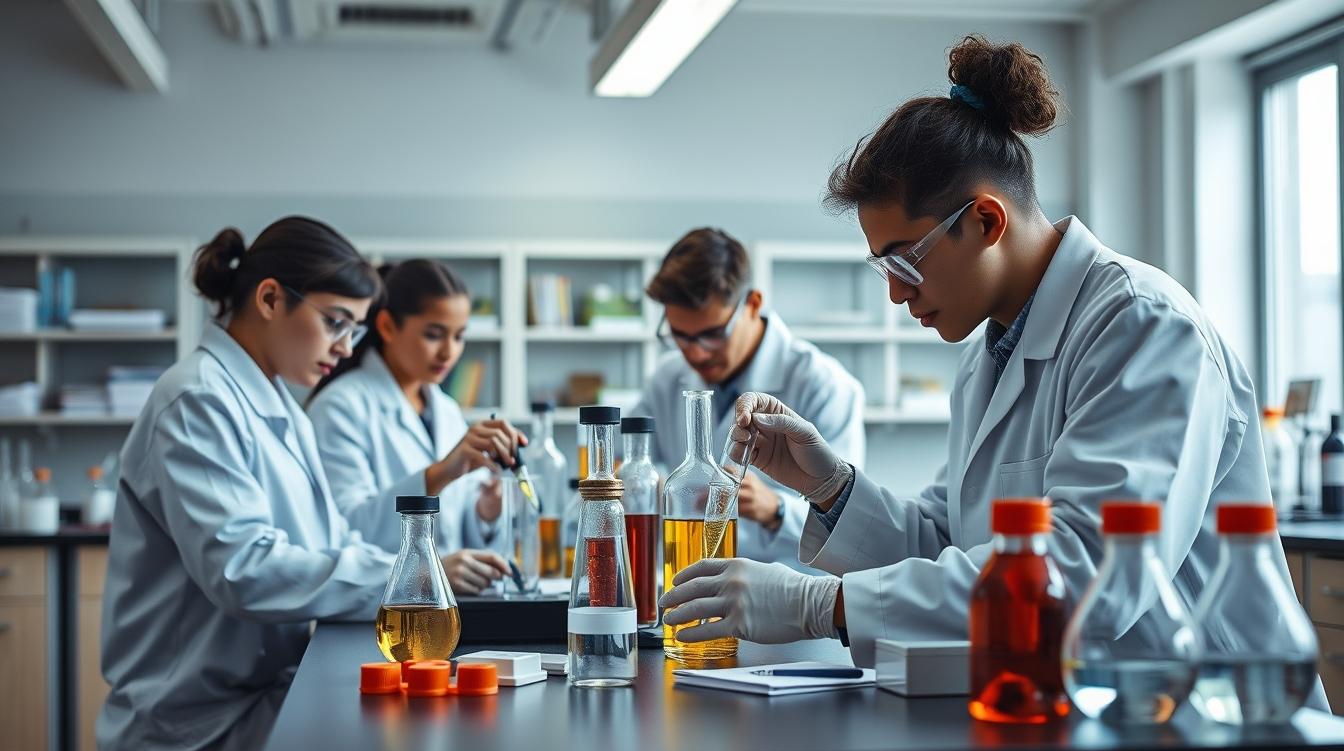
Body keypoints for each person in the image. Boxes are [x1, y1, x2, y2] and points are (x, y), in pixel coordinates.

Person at [658, 36, 1329, 711]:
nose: (897, 294)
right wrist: (831, 486)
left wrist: (823, 604)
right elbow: (952, 541)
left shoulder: (1143, 326)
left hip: (1209, 718)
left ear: (984, 220)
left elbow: (1087, 577)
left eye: (903, 262)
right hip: (1078, 711)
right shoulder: (987, 353)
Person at [97, 218, 526, 751]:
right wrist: (408, 585)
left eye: (353, 329)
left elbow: (334, 537)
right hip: (193, 729)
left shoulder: (279, 405)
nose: (346, 349)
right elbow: (243, 569)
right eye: (336, 323)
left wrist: (414, 575)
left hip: (262, 700)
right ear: (271, 299)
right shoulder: (197, 401)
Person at [632, 227, 865, 572]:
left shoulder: (824, 385)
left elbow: (853, 523)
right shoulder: (667, 379)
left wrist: (775, 509)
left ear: (753, 304)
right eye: (680, 336)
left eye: (712, 335)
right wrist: (658, 484)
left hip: (790, 606)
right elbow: (628, 464)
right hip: (689, 590)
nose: (695, 353)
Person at [308, 259, 526, 595]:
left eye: (459, 336)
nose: (449, 352)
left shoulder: (446, 409)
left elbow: (454, 529)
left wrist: (486, 509)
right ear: (387, 326)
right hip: (377, 613)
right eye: (434, 334)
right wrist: (440, 473)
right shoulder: (341, 407)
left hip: (445, 607)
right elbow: (346, 530)